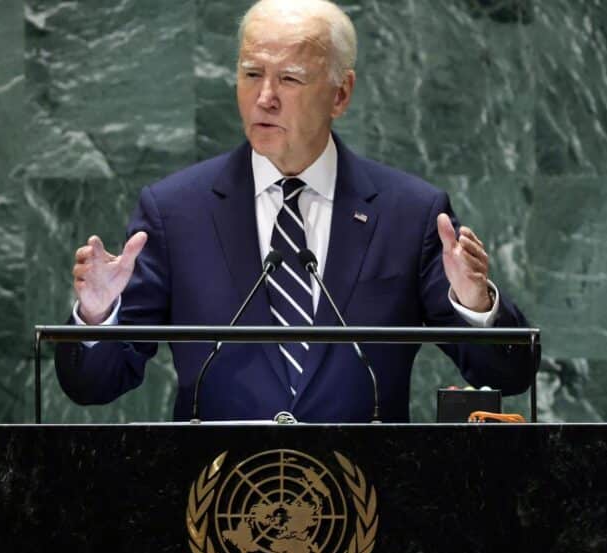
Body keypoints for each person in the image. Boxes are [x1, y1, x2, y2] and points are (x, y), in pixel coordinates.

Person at [55, 0, 535, 422]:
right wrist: (97, 316)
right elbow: (94, 386)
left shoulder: (409, 213)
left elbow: (509, 374)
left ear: (340, 94)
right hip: (216, 499)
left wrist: (476, 307)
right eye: (250, 74)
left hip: (366, 499)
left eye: (289, 78)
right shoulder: (177, 210)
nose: (264, 97)